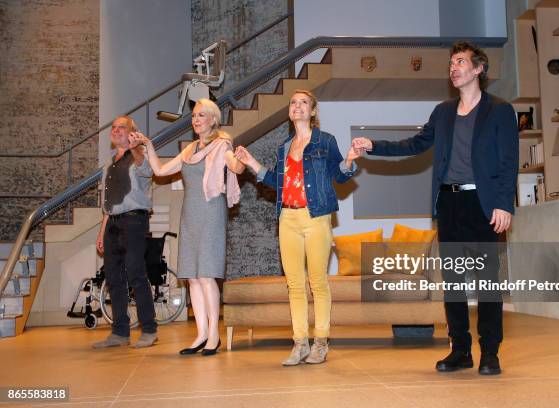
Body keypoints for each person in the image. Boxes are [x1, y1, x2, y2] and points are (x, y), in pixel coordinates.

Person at [353, 41, 519, 375]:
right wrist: (373, 145)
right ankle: (460, 350)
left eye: (460, 62)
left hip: (482, 205)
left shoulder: (499, 110)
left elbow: (508, 160)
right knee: (454, 283)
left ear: (478, 69)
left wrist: (504, 204)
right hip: (449, 203)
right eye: (451, 64)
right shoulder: (442, 112)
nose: (453, 68)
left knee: (487, 282)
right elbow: (415, 144)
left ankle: (490, 352)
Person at [235, 89, 360, 365]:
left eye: (304, 102)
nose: (298, 106)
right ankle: (300, 343)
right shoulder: (284, 146)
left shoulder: (325, 141)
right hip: (287, 218)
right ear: (290, 111)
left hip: (316, 216)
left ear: (312, 111)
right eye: (293, 103)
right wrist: (250, 163)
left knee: (318, 281)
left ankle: (320, 342)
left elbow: (340, 175)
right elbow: (276, 181)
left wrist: (349, 158)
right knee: (294, 284)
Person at [129, 98, 245, 356]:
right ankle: (201, 334)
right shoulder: (190, 149)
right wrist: (147, 144)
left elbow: (234, 165)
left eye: (201, 115)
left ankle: (214, 335)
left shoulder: (221, 145)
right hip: (190, 214)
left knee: (206, 275)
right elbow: (159, 171)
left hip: (211, 212)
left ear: (213, 119)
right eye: (194, 115)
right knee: (192, 277)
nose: (196, 119)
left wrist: (239, 162)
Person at [92, 115, 158, 349]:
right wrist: (101, 233)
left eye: (122, 127)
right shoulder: (109, 165)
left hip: (134, 221)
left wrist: (137, 148)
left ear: (132, 132)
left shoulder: (140, 155)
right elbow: (108, 203)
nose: (116, 130)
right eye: (114, 127)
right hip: (112, 223)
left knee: (136, 274)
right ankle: (119, 332)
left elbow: (147, 171)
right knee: (114, 278)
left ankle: (149, 329)